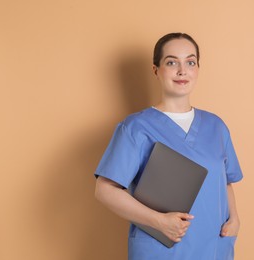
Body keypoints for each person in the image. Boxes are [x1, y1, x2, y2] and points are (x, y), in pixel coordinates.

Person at [94, 32, 243, 260]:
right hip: (161, 250)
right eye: (172, 62)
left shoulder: (216, 126)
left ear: (198, 69)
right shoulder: (136, 127)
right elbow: (105, 190)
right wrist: (160, 222)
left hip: (213, 247)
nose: (182, 71)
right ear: (156, 70)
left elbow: (225, 181)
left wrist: (235, 220)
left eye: (190, 62)